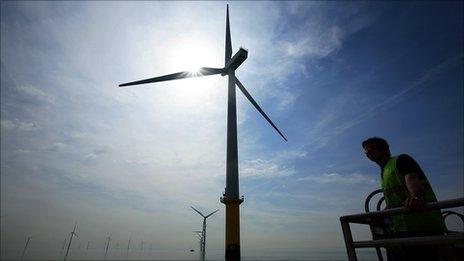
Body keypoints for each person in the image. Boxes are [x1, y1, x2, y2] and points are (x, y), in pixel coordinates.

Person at [361, 137, 450, 260]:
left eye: (371, 149)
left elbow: (412, 178)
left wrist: (416, 196)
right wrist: (380, 214)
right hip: (402, 229)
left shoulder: (401, 160)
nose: (368, 153)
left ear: (385, 149)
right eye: (366, 152)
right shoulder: (384, 172)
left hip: (423, 226)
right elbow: (394, 201)